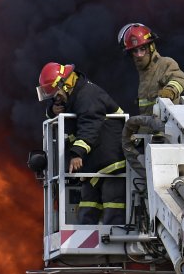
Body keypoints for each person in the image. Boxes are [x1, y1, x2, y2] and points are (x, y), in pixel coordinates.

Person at [36, 62, 126, 225]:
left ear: (65, 84)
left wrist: (77, 153)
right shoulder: (74, 95)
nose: (57, 99)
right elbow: (67, 112)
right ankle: (87, 239)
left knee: (112, 201)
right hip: (95, 164)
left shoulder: (87, 95)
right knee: (88, 204)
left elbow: (89, 125)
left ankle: (116, 237)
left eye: (56, 95)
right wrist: (52, 110)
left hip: (112, 161)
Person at [117, 22, 184, 114]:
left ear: (151, 47)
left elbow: (179, 79)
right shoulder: (142, 74)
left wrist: (170, 90)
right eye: (135, 51)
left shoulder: (164, 63)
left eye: (142, 49)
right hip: (149, 125)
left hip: (166, 125)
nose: (139, 55)